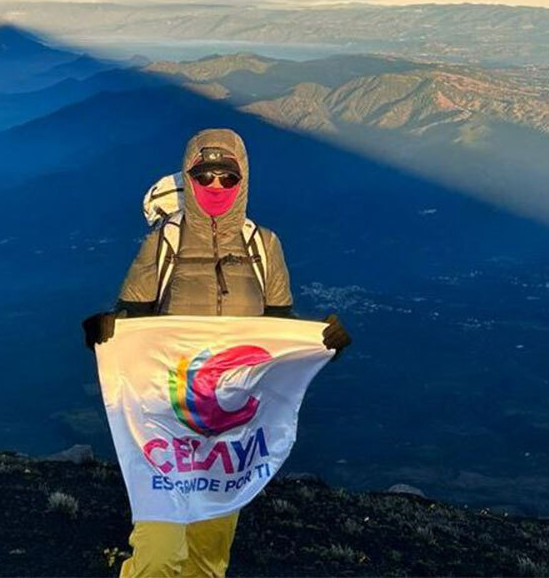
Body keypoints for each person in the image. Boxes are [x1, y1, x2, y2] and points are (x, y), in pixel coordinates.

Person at [82, 127, 350, 577]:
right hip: (164, 427)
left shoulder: (264, 247)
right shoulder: (163, 245)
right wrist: (106, 329)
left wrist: (321, 344)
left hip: (228, 435)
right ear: (189, 179)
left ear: (242, 180)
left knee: (207, 562)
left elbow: (277, 337)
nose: (216, 186)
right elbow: (130, 322)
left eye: (227, 177)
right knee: (159, 555)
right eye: (204, 176)